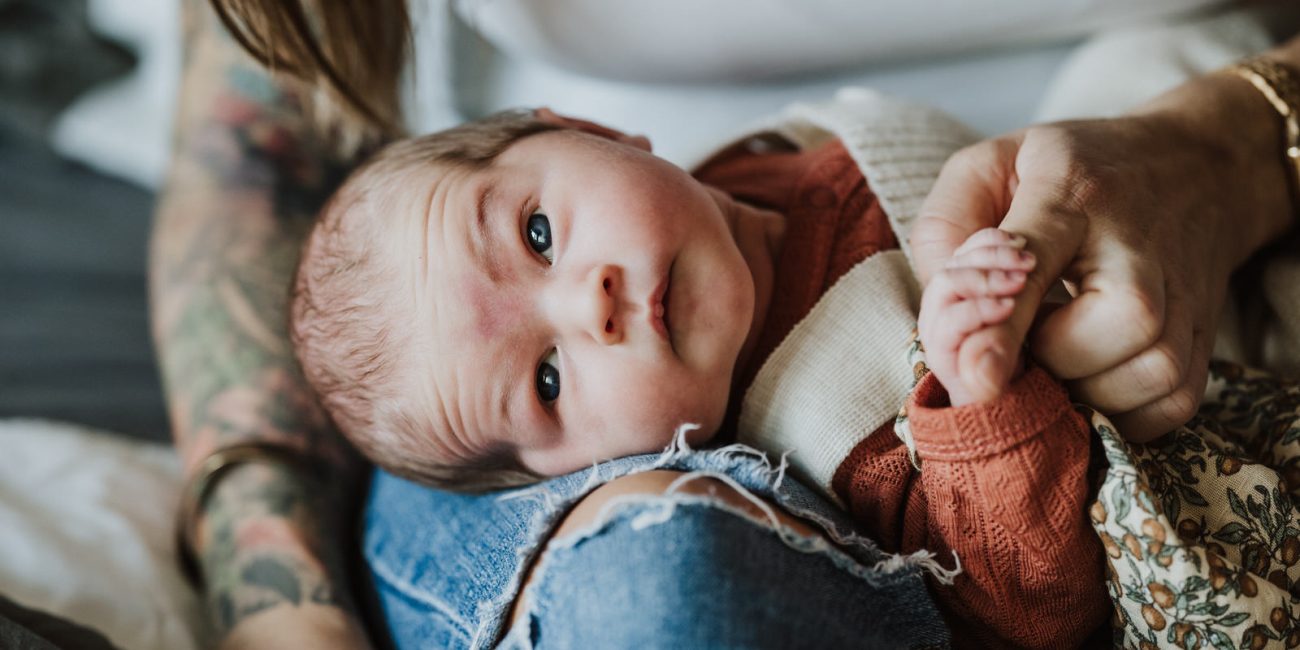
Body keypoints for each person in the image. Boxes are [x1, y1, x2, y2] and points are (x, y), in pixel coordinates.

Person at [155, 0, 1299, 647]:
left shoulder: (768, 162)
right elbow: (1025, 607)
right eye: (550, 379)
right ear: (597, 458)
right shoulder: (841, 428)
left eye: (542, 236)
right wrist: (977, 400)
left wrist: (1231, 144)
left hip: (1175, 153)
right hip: (1069, 440)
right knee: (670, 586)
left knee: (1143, 65)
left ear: (597, 132)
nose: (588, 306)